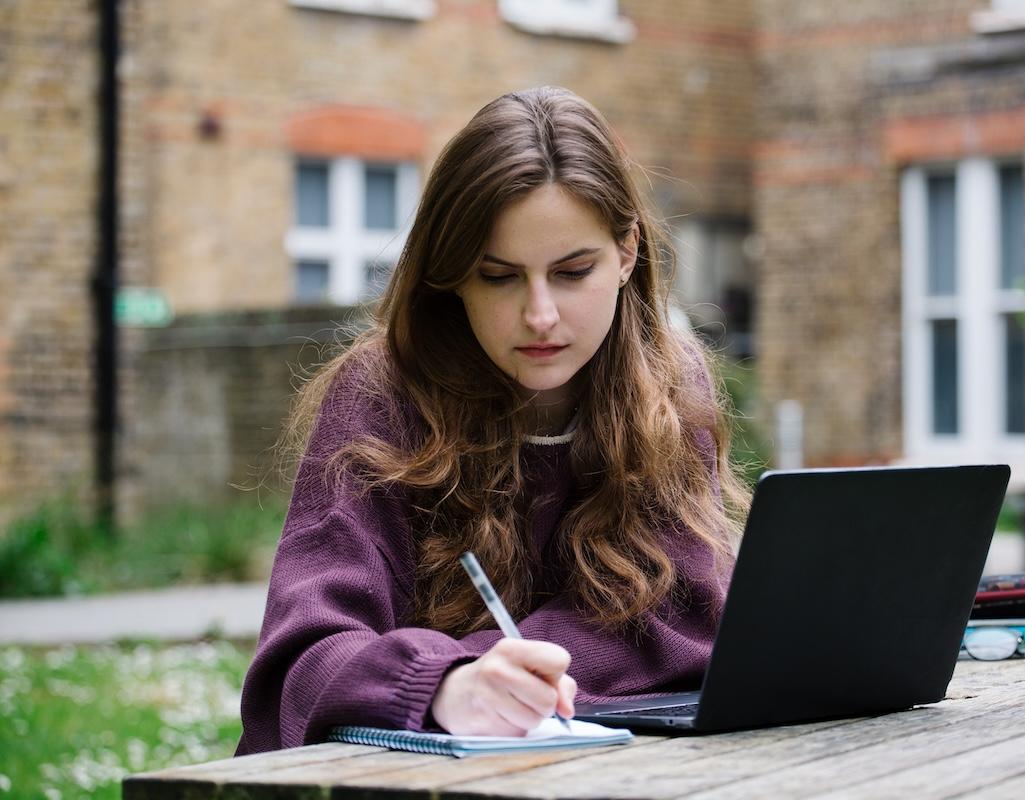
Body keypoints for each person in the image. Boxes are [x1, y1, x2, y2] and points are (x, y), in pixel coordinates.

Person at [236, 86, 749, 754]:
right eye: (500, 276)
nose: (540, 315)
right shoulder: (380, 397)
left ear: (626, 253)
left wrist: (503, 666)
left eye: (571, 271)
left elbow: (686, 620)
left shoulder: (671, 388)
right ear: (453, 276)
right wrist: (443, 684)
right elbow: (301, 665)